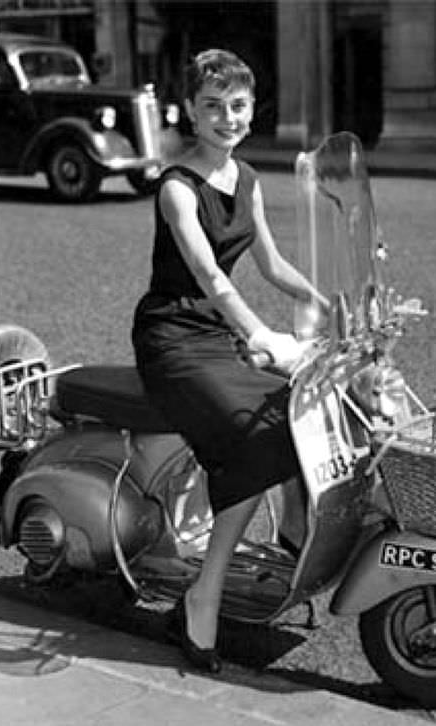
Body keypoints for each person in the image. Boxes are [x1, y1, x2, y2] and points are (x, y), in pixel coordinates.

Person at [131, 49, 326, 673]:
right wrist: (261, 332)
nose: (226, 117)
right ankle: (202, 596)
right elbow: (211, 276)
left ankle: (294, 536)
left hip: (219, 335)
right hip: (173, 338)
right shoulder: (176, 188)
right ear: (190, 110)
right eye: (212, 106)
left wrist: (322, 297)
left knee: (305, 403)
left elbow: (269, 262)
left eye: (237, 105)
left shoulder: (247, 178)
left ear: (251, 108)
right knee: (256, 438)